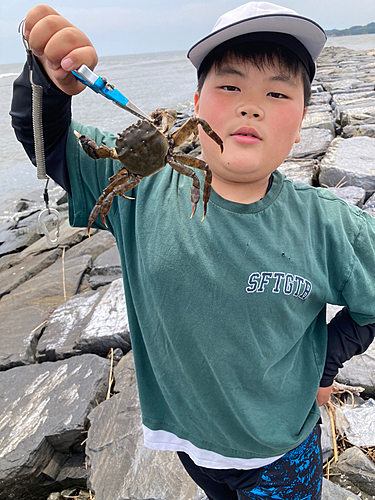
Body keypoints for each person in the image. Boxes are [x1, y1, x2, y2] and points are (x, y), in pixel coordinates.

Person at [11, 2, 375, 499]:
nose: (251, 106)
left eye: (276, 92)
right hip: (188, 445)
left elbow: (371, 306)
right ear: (196, 104)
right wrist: (48, 79)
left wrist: (324, 365)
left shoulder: (332, 226)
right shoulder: (142, 192)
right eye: (230, 86)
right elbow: (49, 142)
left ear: (301, 121)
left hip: (281, 453)